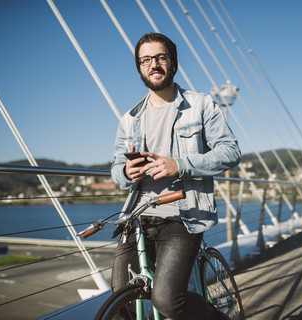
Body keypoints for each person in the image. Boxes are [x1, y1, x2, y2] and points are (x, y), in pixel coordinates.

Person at [110, 32, 241, 320]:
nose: (153, 64)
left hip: (183, 215)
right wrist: (125, 172)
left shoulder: (201, 105)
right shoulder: (129, 118)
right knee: (120, 297)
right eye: (145, 60)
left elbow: (231, 151)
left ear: (173, 62)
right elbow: (117, 169)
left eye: (160, 57)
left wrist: (179, 165)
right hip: (138, 215)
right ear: (139, 67)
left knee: (167, 301)